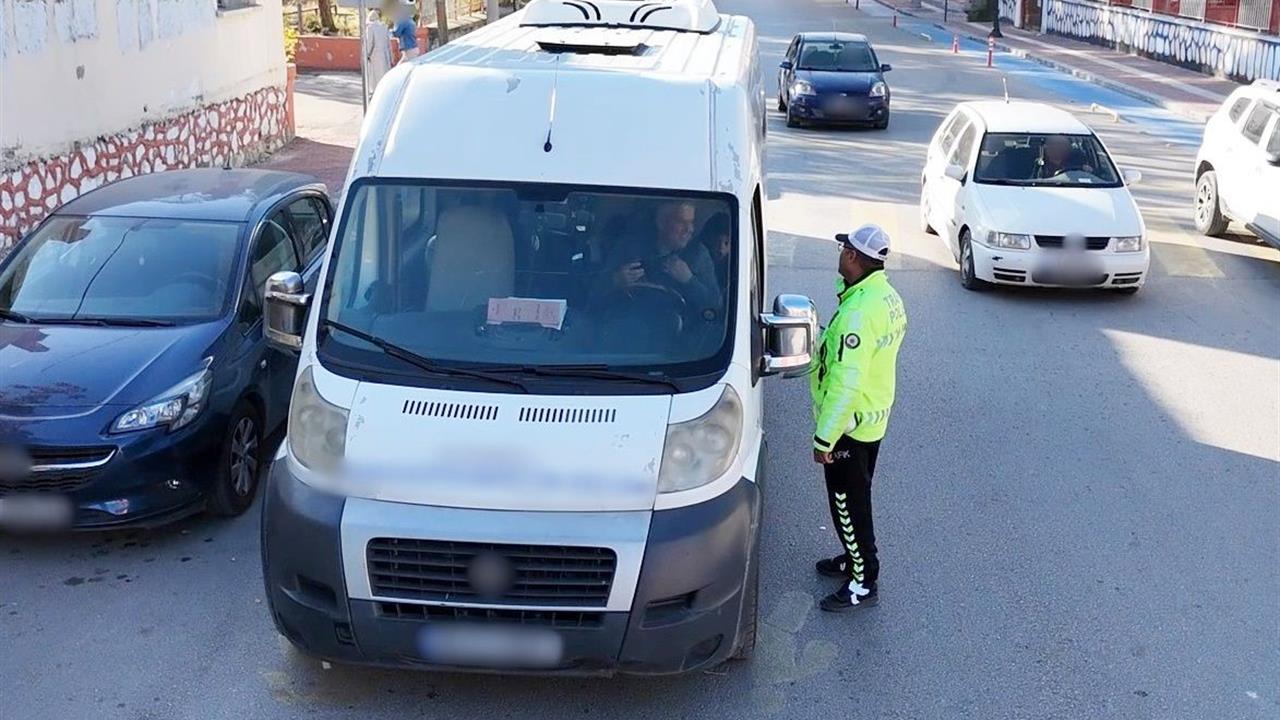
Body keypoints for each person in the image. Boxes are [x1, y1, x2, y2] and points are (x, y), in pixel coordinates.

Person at [810, 224, 907, 613]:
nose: (840, 252)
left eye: (843, 248)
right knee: (854, 499)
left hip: (849, 427)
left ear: (852, 256)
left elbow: (846, 383)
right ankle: (853, 560)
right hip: (872, 417)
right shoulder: (885, 295)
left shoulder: (858, 313)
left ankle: (864, 581)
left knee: (849, 505)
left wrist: (825, 438)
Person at [601, 200, 722, 317]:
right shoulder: (629, 248)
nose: (689, 229)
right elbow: (594, 293)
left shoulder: (698, 254)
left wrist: (689, 280)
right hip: (629, 322)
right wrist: (614, 280)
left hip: (682, 328)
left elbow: (716, 306)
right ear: (661, 223)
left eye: (691, 222)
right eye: (681, 222)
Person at [697, 212, 732, 293]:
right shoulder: (698, 260)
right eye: (717, 242)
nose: (721, 248)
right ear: (709, 240)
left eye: (726, 243)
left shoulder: (734, 269)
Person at [363, 8, 392, 96]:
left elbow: (369, 42)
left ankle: (376, 93)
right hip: (385, 53)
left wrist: (366, 54)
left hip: (375, 54)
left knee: (375, 75)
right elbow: (388, 42)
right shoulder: (384, 27)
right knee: (384, 74)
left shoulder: (370, 27)